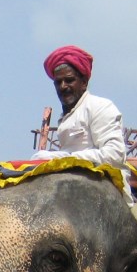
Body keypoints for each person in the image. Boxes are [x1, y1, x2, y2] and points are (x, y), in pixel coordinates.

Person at [33, 45, 132, 200]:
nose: (63, 86)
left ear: (84, 82)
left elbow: (114, 155)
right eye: (58, 82)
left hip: (103, 185)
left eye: (69, 80)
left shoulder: (100, 107)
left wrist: (64, 160)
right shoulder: (66, 117)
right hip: (69, 181)